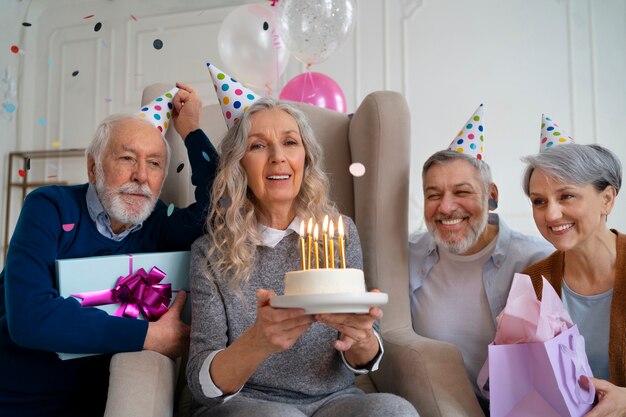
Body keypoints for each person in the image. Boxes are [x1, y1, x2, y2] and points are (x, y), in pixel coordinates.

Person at [187, 65, 418, 417]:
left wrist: (363, 338)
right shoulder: (210, 253)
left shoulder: (339, 233)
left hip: (335, 401)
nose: (278, 156)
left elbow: (362, 361)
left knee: (395, 411)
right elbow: (201, 385)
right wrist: (256, 342)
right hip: (249, 404)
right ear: (239, 165)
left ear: (305, 159)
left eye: (290, 143)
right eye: (258, 145)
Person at [0, 82, 219, 416]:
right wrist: (148, 335)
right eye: (127, 158)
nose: (141, 176)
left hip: (98, 402)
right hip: (16, 396)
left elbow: (223, 207)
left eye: (155, 164)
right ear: (93, 168)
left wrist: (191, 131)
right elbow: (30, 318)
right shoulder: (49, 207)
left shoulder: (157, 224)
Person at [408, 105, 553, 412]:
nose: (446, 207)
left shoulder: (536, 261)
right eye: (433, 194)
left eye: (462, 192)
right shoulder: (405, 254)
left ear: (492, 196)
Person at [520, 141, 626, 416]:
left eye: (566, 196)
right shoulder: (532, 282)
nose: (551, 215)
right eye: (539, 201)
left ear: (607, 199)